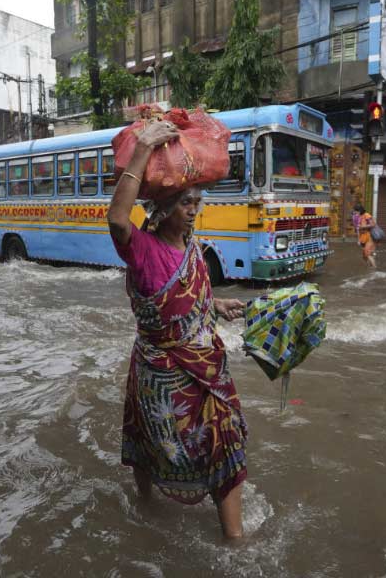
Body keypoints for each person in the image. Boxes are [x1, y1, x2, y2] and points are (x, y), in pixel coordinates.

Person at [107, 120, 248, 539]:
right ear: (165, 207)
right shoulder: (143, 249)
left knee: (225, 435)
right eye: (187, 202)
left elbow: (186, 295)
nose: (194, 209)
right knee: (152, 443)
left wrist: (215, 304)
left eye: (197, 201)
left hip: (204, 369)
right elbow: (117, 218)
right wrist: (143, 150)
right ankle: (146, 511)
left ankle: (234, 539)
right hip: (161, 375)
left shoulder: (190, 247)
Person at [354, 202, 376, 268]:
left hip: (369, 237)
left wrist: (364, 226)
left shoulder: (367, 215)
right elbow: (358, 229)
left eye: (356, 211)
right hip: (362, 238)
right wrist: (358, 239)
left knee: (367, 253)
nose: (355, 212)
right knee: (364, 256)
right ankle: (369, 267)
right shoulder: (358, 217)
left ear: (360, 210)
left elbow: (373, 224)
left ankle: (374, 269)